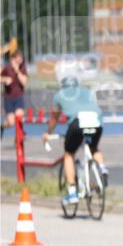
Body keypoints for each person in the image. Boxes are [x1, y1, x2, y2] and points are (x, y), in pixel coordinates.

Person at [44, 66, 108, 206]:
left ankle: (72, 193)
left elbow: (54, 119)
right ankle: (102, 168)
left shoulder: (59, 95)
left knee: (69, 154)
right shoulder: (87, 91)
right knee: (93, 148)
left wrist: (48, 133)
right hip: (97, 122)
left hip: (78, 123)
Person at [2, 49, 29, 130]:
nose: (20, 59)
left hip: (18, 97)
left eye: (21, 58)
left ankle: (19, 137)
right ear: (13, 59)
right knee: (11, 122)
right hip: (8, 98)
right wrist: (5, 79)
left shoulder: (22, 68)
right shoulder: (7, 68)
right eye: (18, 58)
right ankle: (2, 127)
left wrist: (17, 71)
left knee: (19, 117)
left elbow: (24, 82)